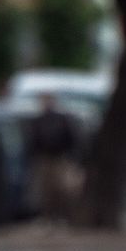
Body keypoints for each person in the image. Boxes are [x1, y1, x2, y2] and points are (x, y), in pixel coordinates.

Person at [26, 94, 80, 225]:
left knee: (61, 189)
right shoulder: (38, 120)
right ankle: (47, 216)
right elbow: (32, 141)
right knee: (45, 190)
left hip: (59, 158)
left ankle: (61, 216)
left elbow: (72, 138)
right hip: (44, 159)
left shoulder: (61, 120)